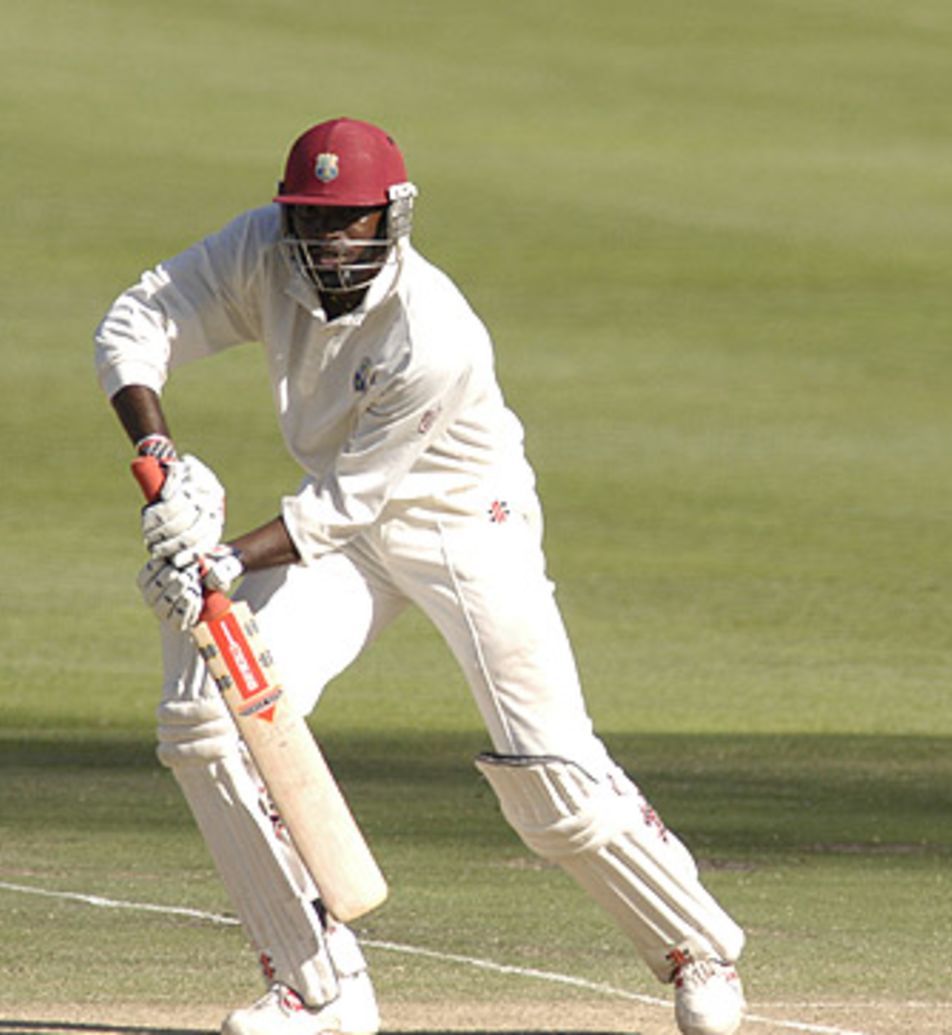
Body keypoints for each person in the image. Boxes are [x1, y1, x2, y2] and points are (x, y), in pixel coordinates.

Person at [94, 117, 746, 1035]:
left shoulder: (434, 332)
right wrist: (158, 458)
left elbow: (344, 505)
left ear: (392, 218)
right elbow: (136, 321)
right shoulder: (262, 250)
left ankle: (696, 947)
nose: (327, 244)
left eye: (349, 222)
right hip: (348, 537)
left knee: (549, 772)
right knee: (211, 717)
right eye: (312, 222)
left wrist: (223, 558)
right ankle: (320, 985)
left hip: (463, 525)